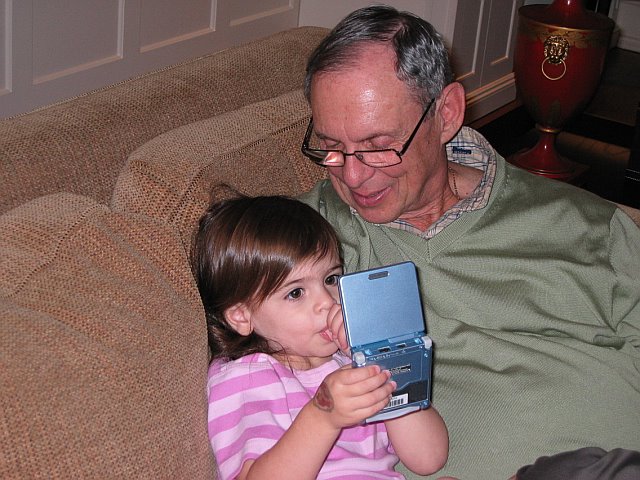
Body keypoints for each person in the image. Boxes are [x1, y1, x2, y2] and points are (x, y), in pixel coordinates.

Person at [298, 4, 640, 480]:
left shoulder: (591, 227)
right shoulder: (302, 240)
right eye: (332, 147)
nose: (353, 176)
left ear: (447, 114)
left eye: (378, 146)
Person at [191, 195, 449, 480]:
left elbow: (429, 459)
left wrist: (382, 359)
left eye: (331, 279)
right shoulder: (247, 376)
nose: (327, 301)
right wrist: (323, 416)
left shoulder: (353, 362)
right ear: (242, 317)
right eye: (295, 293)